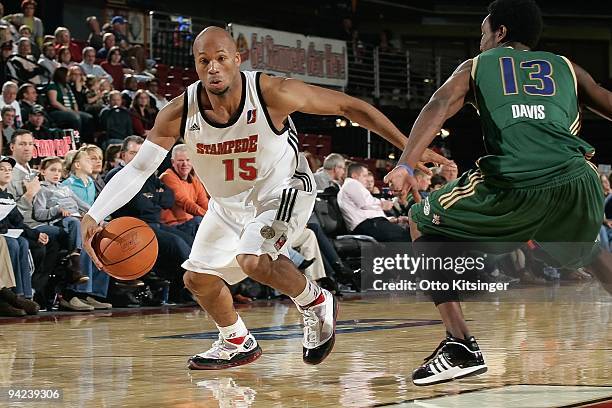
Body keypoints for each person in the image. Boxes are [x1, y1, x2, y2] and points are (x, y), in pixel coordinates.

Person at [81, 26, 448, 370]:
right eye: (203, 60)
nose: (213, 67)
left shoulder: (271, 92)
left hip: (284, 188)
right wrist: (95, 213)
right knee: (198, 280)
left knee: (253, 259)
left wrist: (409, 150)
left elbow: (351, 107)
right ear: (195, 64)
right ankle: (236, 340)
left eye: (221, 58)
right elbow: (138, 168)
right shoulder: (179, 111)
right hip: (229, 204)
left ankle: (316, 301)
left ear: (237, 59)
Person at [384, 0, 612, 386]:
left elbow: (439, 102)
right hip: (578, 179)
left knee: (421, 219)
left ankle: (460, 344)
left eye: (483, 34)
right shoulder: (567, 67)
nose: (481, 42)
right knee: (592, 253)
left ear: (500, 32)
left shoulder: (478, 66)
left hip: (518, 178)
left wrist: (407, 162)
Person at [338, 162, 411, 242]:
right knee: (406, 238)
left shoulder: (355, 187)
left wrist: (395, 220)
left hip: (372, 224)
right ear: (354, 175)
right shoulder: (351, 183)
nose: (366, 179)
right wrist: (382, 204)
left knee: (408, 235)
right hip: (366, 226)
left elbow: (369, 212)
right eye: (364, 176)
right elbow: (365, 204)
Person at [160, 144, 208, 238]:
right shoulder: (167, 176)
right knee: (200, 222)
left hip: (190, 224)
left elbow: (205, 204)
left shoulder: (194, 181)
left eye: (188, 160)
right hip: (172, 226)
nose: (185, 164)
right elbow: (185, 202)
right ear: (173, 162)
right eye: (180, 160)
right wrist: (208, 217)